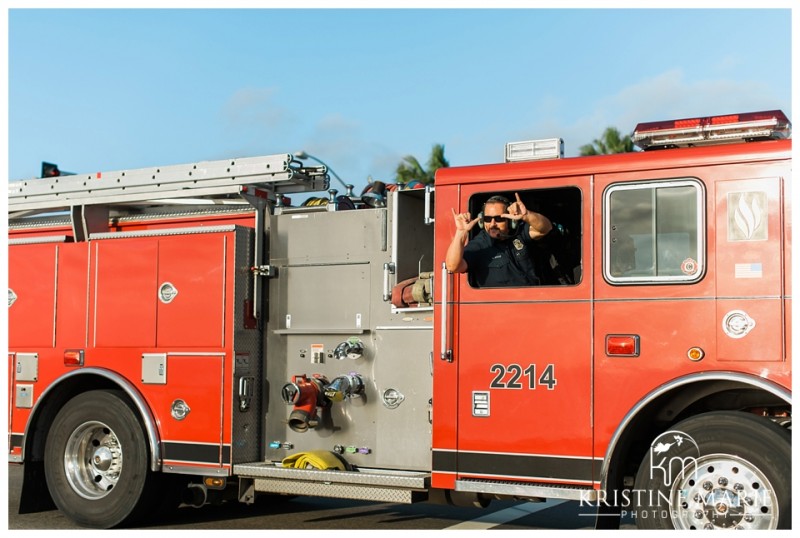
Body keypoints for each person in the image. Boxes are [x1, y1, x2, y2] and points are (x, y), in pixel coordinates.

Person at [446, 193, 557, 287]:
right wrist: (460, 231)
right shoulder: (480, 244)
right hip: (501, 309)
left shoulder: (520, 232)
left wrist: (527, 215)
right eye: (488, 219)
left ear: (510, 220)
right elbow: (452, 266)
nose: (492, 224)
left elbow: (545, 228)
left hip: (533, 303)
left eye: (499, 219)